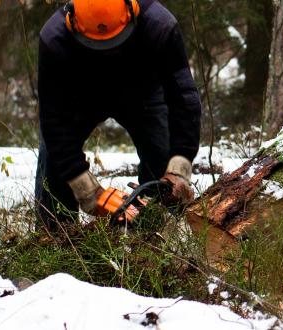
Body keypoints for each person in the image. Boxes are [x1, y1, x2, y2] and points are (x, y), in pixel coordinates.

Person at [35, 0, 200, 231]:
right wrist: (86, 189)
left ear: (132, 12)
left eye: (115, 42)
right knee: (53, 163)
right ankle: (54, 237)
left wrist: (180, 166)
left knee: (163, 154)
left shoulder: (159, 26)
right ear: (73, 22)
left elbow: (183, 97)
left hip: (142, 93)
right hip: (80, 99)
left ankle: (158, 230)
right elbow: (53, 120)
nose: (108, 51)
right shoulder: (54, 39)